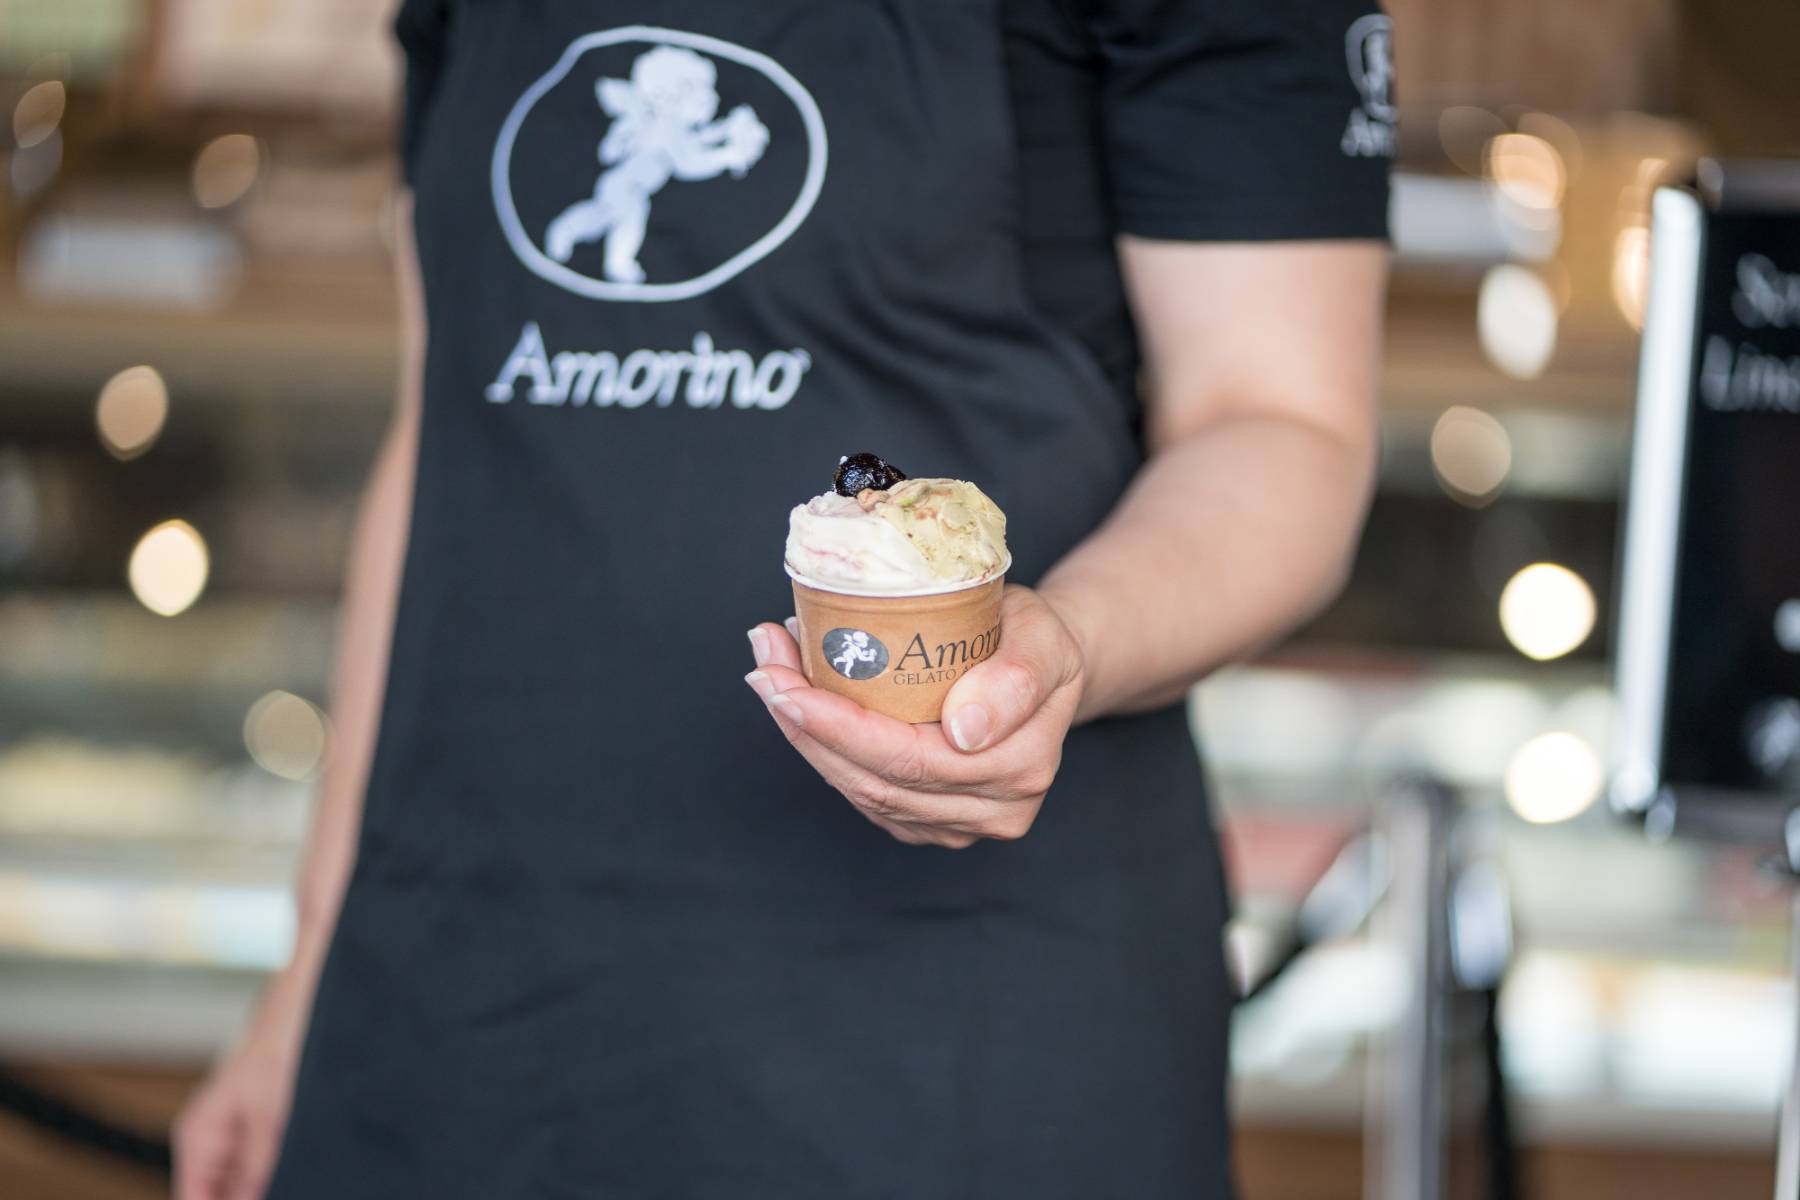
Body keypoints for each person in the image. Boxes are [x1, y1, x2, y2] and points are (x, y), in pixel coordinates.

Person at [174, 0, 1391, 1195]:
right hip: (455, 986)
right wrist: (311, 967)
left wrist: (1065, 643)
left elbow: (1280, 427)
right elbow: (447, 429)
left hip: (954, 1024)